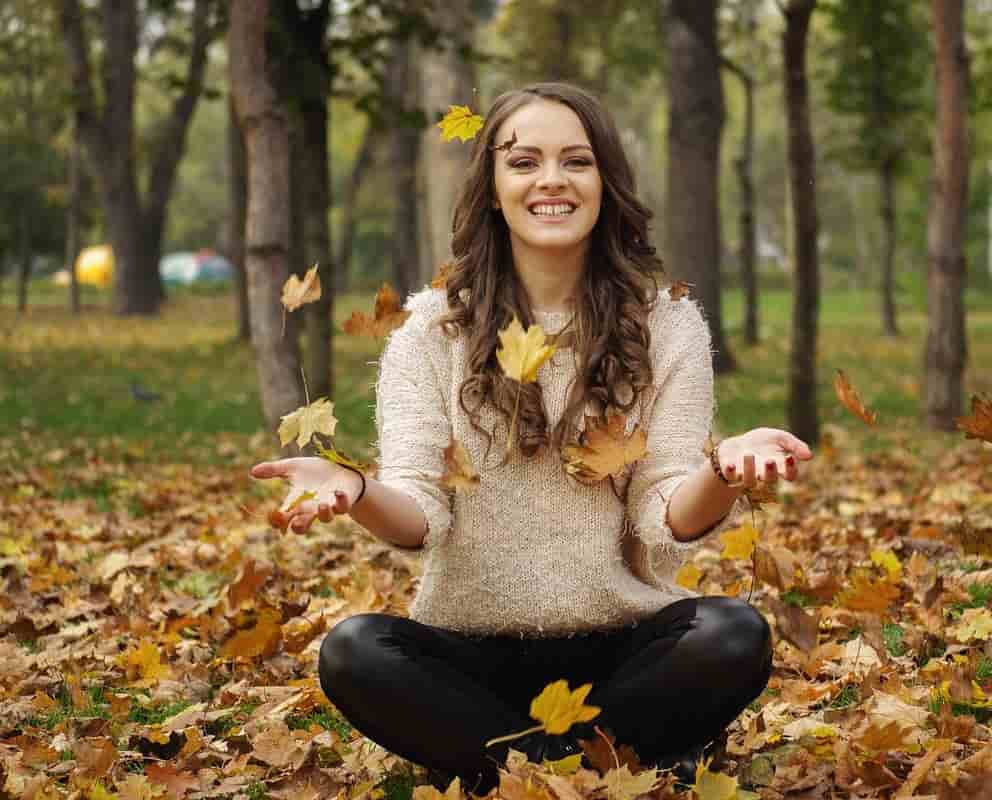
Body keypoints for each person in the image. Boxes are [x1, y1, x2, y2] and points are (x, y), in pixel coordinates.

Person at [249, 82, 812, 795]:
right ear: (491, 187)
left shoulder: (668, 327)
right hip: (472, 659)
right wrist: (357, 489)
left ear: (605, 182)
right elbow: (420, 513)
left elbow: (666, 513)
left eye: (576, 161)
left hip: (622, 654)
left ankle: (523, 774)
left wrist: (723, 471)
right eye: (524, 162)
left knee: (733, 634)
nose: (551, 180)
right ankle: (597, 769)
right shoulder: (430, 331)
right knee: (355, 651)